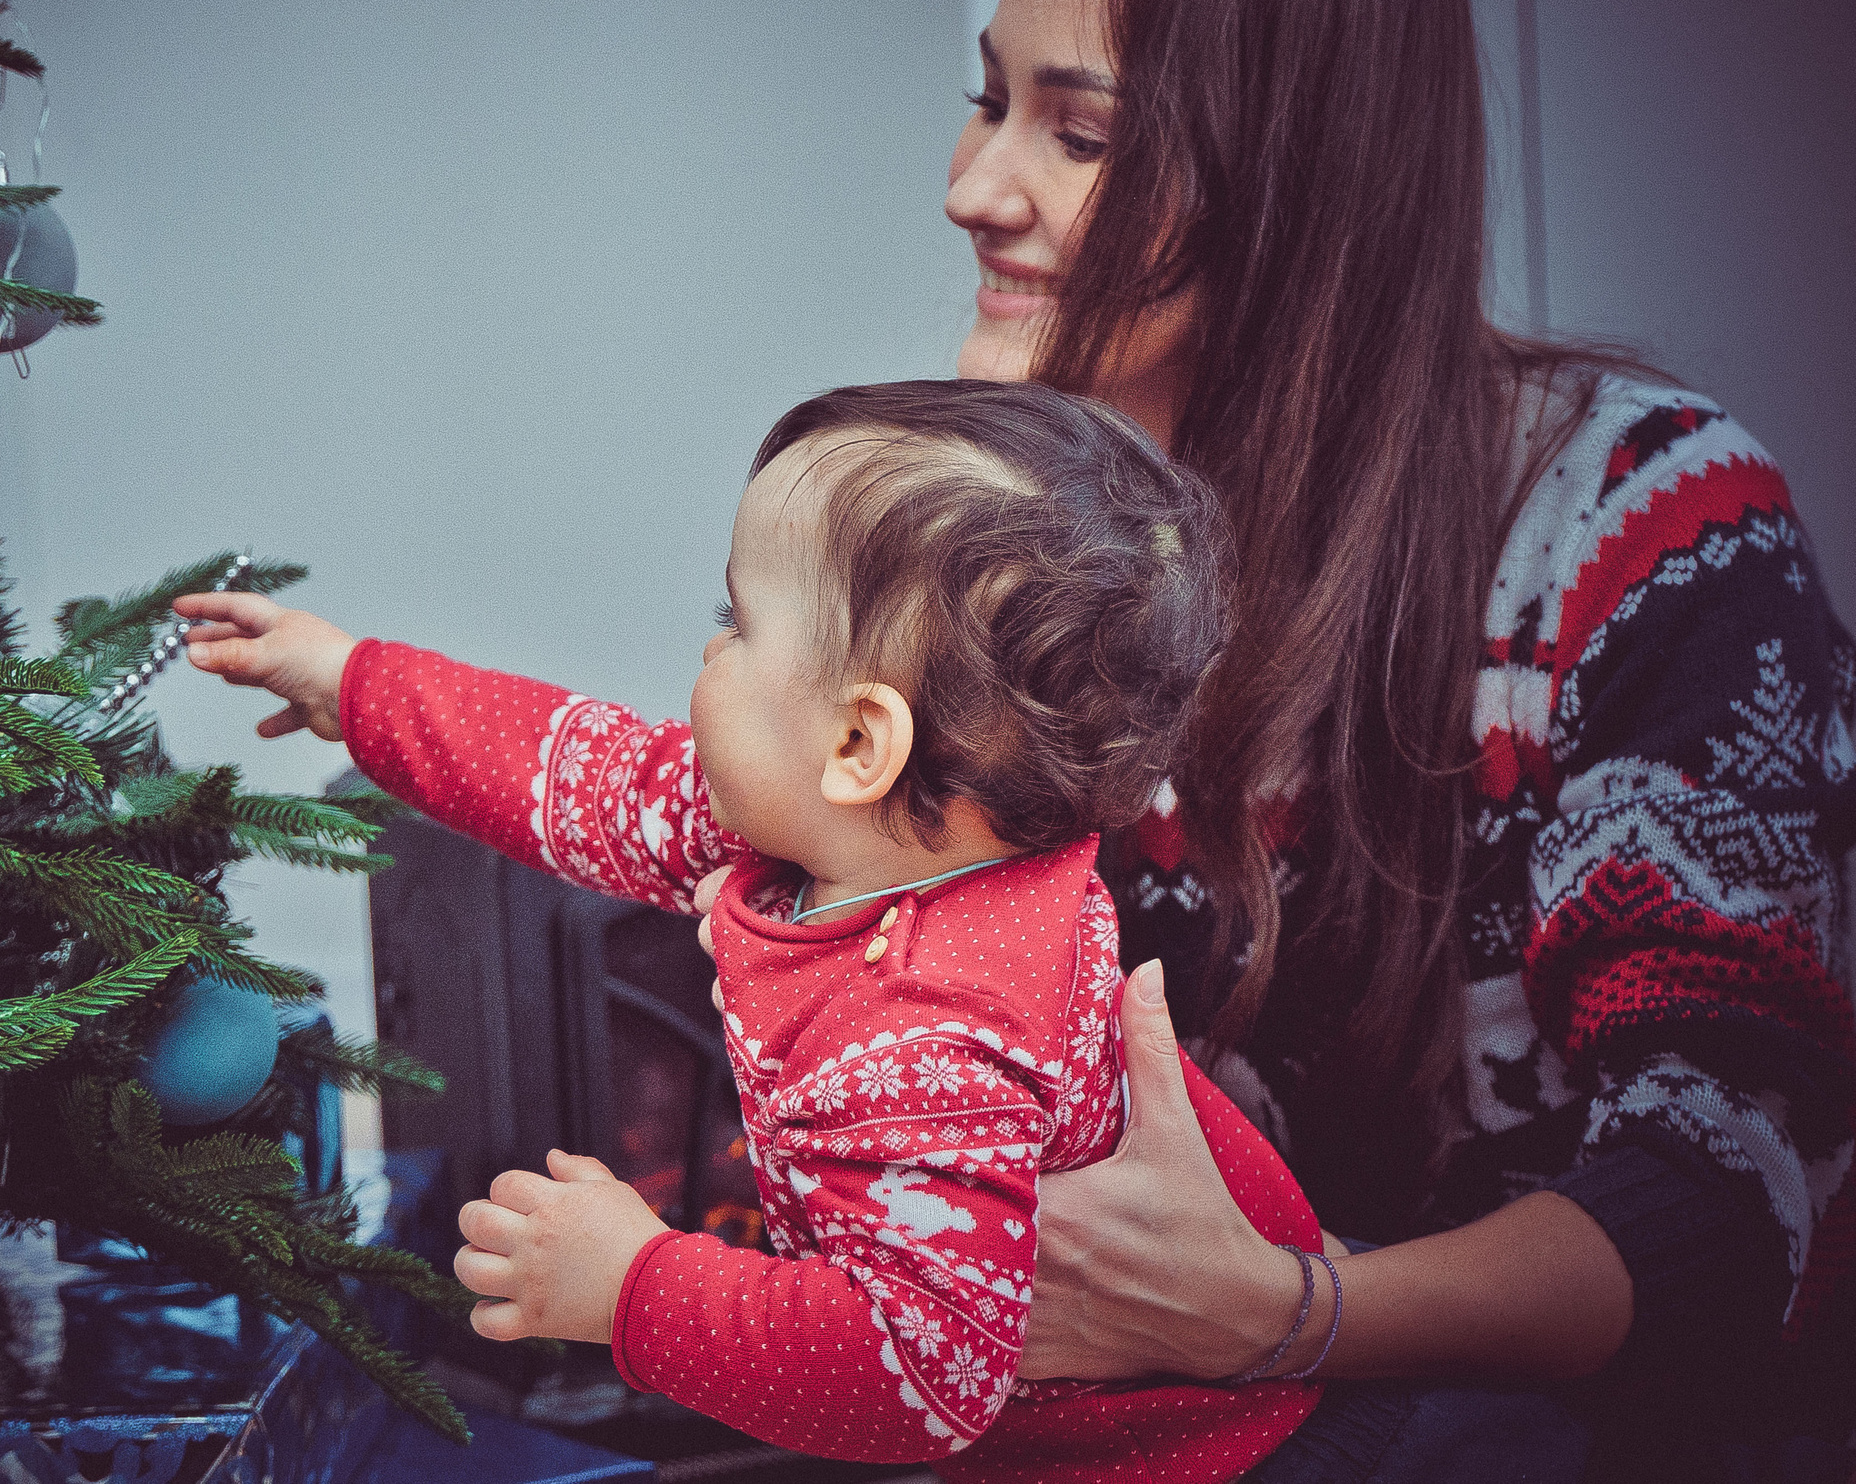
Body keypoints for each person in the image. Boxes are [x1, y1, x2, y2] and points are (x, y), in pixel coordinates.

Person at [201, 0, 1856, 1480]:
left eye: (1078, 132)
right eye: (986, 102)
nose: (969, 185)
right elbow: (644, 789)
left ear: (1297, 189)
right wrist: (357, 683)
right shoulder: (1021, 538)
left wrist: (1282, 1311)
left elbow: (1724, 1198)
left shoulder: (1642, 525)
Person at [188, 376, 1337, 1480]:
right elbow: (574, 769)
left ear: (857, 745)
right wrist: (354, 683)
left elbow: (919, 1376)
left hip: (1197, 1462)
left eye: (735, 620)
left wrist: (634, 1286)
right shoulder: (855, 841)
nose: (707, 650)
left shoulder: (930, 1037)